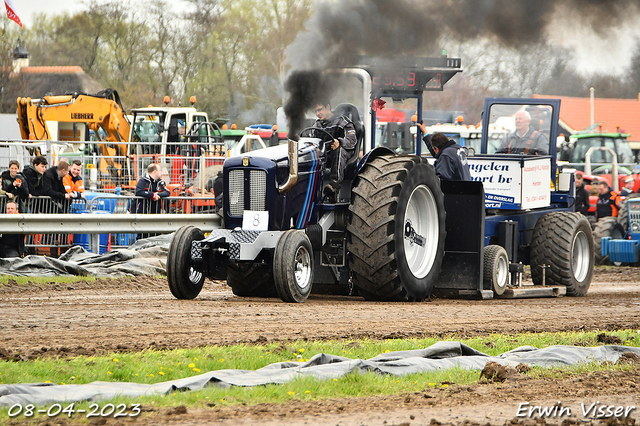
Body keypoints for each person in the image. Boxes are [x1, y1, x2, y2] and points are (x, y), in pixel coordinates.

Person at [310, 99, 358, 202]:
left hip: (343, 155)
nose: (318, 113)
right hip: (324, 156)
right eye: (316, 111)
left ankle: (334, 186)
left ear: (327, 107)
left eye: (320, 110)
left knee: (338, 150)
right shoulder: (316, 126)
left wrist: (339, 142)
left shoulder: (343, 122)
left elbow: (352, 141)